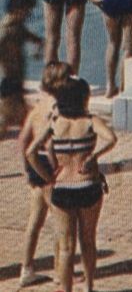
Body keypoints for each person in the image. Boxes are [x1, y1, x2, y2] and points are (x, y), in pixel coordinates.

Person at [25, 76, 117, 292]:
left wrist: (47, 177)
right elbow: (112, 138)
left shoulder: (55, 123)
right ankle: (89, 287)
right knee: (88, 241)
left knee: (66, 247)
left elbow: (30, 152)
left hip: (63, 189)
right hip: (88, 186)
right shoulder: (90, 121)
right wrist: (94, 156)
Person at [17, 58, 71, 291]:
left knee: (35, 221)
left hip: (33, 163)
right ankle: (60, 273)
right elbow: (50, 145)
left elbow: (22, 140)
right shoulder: (56, 108)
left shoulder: (38, 105)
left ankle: (26, 269)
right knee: (61, 222)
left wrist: (27, 170)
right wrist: (56, 170)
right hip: (48, 166)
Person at [1, 0, 42, 136]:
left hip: (16, 78)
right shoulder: (5, 31)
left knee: (17, 115)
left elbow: (34, 39)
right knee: (11, 116)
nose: (28, 15)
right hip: (8, 79)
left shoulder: (18, 26)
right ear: (18, 9)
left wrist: (38, 48)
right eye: (27, 11)